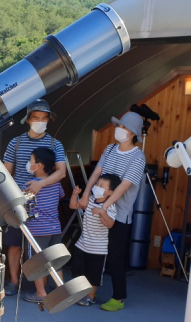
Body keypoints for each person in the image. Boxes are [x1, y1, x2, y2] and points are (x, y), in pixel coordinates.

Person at [79, 112, 145, 311]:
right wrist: (85, 194)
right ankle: (89, 291)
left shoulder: (138, 157)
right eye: (120, 126)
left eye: (124, 128)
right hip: (96, 209)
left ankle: (119, 298)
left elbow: (124, 186)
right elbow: (97, 173)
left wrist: (105, 207)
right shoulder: (108, 149)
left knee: (115, 257)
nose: (120, 130)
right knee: (90, 251)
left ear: (133, 133)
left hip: (120, 214)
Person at [2, 99, 66, 296]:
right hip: (18, 203)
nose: (40, 121)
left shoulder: (55, 144)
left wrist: (40, 184)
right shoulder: (16, 142)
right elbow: (6, 172)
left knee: (42, 248)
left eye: (44, 118)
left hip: (42, 204)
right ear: (28, 120)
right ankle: (14, 281)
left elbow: (61, 172)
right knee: (13, 244)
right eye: (36, 118)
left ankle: (42, 287)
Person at [69, 173, 121, 306]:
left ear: (110, 192)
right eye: (97, 184)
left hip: (98, 249)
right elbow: (73, 206)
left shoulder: (110, 206)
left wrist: (102, 212)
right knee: (78, 269)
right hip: (82, 244)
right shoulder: (90, 199)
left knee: (94, 274)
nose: (97, 187)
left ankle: (91, 296)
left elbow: (110, 224)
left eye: (101, 186)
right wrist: (75, 195)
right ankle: (79, 293)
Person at [23, 147, 65, 303]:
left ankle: (41, 293)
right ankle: (62, 291)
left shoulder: (30, 185)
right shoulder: (56, 184)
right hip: (55, 228)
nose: (29, 163)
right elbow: (61, 196)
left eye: (31, 160)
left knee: (37, 263)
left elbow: (23, 203)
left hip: (37, 231)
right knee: (55, 260)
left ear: (38, 165)